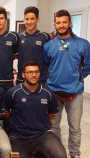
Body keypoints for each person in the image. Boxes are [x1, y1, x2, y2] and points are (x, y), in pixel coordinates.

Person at [43, 9, 90, 158]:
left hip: (75, 93)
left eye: (64, 22)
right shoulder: (48, 46)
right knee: (54, 127)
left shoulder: (83, 44)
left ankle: (74, 154)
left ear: (70, 23)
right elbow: (46, 65)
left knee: (75, 128)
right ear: (55, 24)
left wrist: (77, 78)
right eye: (58, 22)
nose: (61, 25)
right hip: (53, 93)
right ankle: (57, 153)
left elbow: (88, 65)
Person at [3, 61, 66, 158]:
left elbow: (52, 114)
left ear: (39, 74)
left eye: (36, 72)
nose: (33, 75)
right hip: (19, 137)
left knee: (60, 156)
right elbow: (6, 113)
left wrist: (39, 120)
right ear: (23, 75)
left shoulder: (48, 93)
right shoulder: (13, 92)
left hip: (43, 134)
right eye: (30, 72)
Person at [17, 6, 50, 84]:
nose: (29, 22)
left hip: (39, 79)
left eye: (32, 19)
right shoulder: (19, 37)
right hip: (22, 79)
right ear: (24, 20)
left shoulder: (45, 37)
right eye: (27, 19)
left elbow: (50, 59)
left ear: (37, 20)